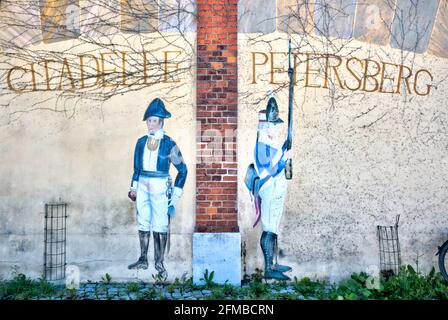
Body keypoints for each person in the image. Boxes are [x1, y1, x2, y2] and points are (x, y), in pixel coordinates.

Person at [127, 98, 187, 279]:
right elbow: (136, 168)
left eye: (154, 121)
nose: (151, 124)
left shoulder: (169, 144)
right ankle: (143, 257)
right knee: (143, 220)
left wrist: (175, 195)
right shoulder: (140, 142)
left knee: (160, 223)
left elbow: (183, 170)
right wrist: (134, 187)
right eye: (149, 121)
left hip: (160, 185)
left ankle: (159, 263)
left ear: (161, 122)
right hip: (143, 183)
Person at [254, 96, 292, 281]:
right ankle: (268, 267)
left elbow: (277, 160)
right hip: (269, 187)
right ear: (264, 126)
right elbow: (272, 169)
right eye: (272, 125)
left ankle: (274, 263)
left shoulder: (270, 144)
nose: (275, 128)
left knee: (273, 227)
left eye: (276, 125)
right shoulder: (262, 146)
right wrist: (285, 158)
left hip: (277, 188)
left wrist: (286, 145)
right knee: (268, 228)